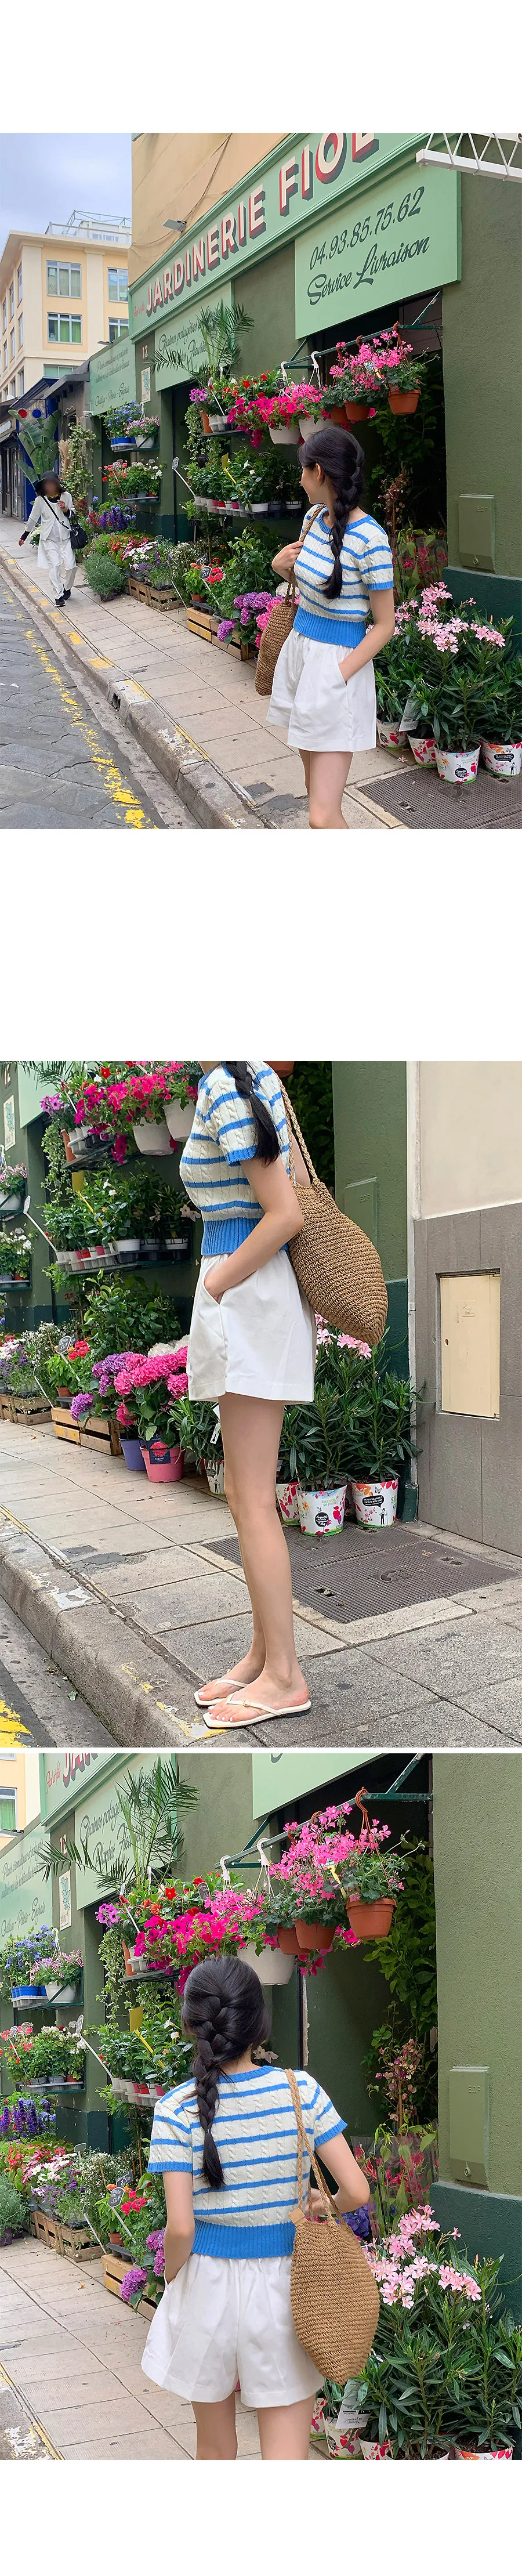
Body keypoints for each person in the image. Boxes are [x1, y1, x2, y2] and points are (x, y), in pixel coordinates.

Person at [142, 1954, 371, 2462]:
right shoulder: (300, 2090)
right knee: (286, 2457)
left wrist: (173, 2277)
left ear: (192, 2024)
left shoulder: (176, 2109)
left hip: (206, 2285)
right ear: (258, 2022)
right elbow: (357, 2191)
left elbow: (180, 2228)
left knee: (214, 2448)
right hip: (287, 2287)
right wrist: (322, 2203)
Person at [179, 1060, 315, 1732]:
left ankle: (285, 1676)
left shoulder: (224, 1083)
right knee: (242, 1492)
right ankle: (264, 1656)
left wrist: (216, 1282)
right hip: (253, 1296)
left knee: (251, 1497)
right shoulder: (249, 1076)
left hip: (246, 1296)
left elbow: (285, 1212)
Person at [266, 423, 394, 830]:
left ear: (319, 472)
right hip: (301, 654)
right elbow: (318, 590)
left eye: (303, 470)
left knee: (323, 817)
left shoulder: (371, 539)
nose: (300, 479)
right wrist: (280, 568)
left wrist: (338, 674)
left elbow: (385, 625)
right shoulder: (313, 519)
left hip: (337, 669)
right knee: (313, 795)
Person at [19, 474, 76, 607]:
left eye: (52, 483)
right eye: (47, 484)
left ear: (57, 484)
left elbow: (73, 514)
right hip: (49, 539)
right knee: (55, 566)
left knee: (72, 566)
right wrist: (25, 535)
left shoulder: (66, 496)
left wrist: (66, 509)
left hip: (66, 537)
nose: (50, 486)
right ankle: (58, 596)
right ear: (43, 486)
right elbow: (33, 518)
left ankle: (67, 588)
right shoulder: (40, 500)